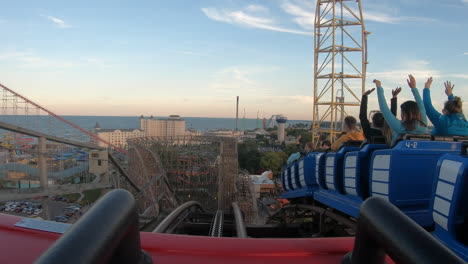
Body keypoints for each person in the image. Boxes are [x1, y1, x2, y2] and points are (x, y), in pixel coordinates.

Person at [374, 75, 428, 145]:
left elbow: (384, 109)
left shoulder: (400, 127)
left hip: (397, 155)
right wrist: (414, 88)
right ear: (417, 112)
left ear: (404, 113)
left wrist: (379, 87)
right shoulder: (424, 126)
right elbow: (421, 107)